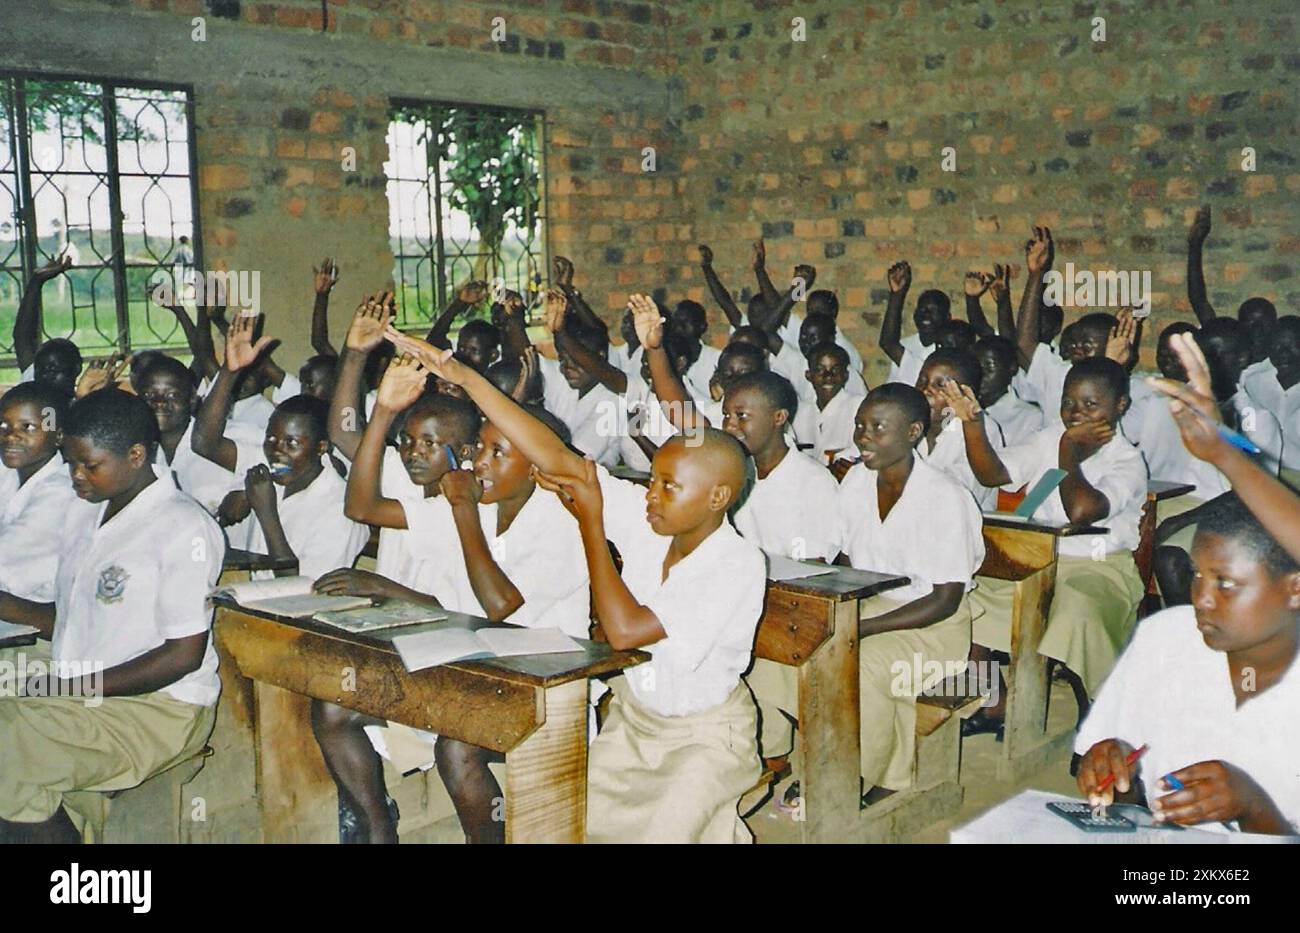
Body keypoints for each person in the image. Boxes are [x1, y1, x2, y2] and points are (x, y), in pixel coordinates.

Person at [387, 314, 768, 844]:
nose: (650, 495)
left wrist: (591, 519)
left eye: (667, 487)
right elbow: (557, 458)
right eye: (652, 479)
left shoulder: (737, 563)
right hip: (636, 724)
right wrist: (468, 380)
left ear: (717, 498)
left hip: (705, 737)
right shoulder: (649, 518)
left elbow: (626, 632)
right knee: (561, 825)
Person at [311, 354, 589, 844]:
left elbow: (501, 608)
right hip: (466, 672)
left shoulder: (563, 524)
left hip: (545, 692)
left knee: (457, 747)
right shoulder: (469, 504)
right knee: (334, 706)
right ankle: (380, 831)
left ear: (538, 470)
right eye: (480, 448)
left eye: (498, 454)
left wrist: (462, 510)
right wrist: (382, 412)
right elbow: (363, 507)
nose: (479, 462)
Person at [0, 389, 223, 843]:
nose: (75, 476)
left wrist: (69, 688)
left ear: (136, 455)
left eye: (90, 465)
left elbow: (182, 656)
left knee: (7, 744)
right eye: (70, 463)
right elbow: (75, 618)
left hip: (154, 707)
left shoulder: (184, 528)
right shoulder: (89, 510)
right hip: (79, 675)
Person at [1075, 494, 1299, 835]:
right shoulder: (1165, 637)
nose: (1202, 599)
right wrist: (1119, 772)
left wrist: (1253, 807)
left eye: (1226, 583)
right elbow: (1135, 804)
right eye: (1196, 575)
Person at [946, 357, 1148, 724]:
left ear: (1120, 406)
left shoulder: (1127, 460)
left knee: (1076, 613)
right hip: (1036, 560)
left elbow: (1082, 511)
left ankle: (1099, 716)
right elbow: (994, 474)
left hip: (1098, 567)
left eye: (1091, 405)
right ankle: (994, 701)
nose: (1076, 414)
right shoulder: (1050, 438)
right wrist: (972, 425)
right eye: (1069, 403)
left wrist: (1069, 449)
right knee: (966, 596)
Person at [191, 312, 368, 579]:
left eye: (292, 442)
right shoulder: (271, 467)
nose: (276, 450)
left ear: (322, 448)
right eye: (271, 439)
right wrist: (229, 371)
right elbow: (204, 443)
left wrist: (265, 511)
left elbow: (302, 592)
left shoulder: (339, 508)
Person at [0, 383, 79, 608]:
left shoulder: (62, 492)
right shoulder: (8, 470)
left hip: (35, 625)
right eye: (3, 425)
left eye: (28, 427)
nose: (11, 436)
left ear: (58, 435)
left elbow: (5, 559)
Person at [973, 335, 1043, 447]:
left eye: (989, 368)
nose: (980, 375)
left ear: (1012, 368)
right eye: (975, 368)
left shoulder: (1029, 417)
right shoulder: (962, 408)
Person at [806, 343, 866, 465]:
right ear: (809, 375)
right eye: (820, 370)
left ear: (845, 376)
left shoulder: (859, 406)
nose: (828, 376)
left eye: (835, 370)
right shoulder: (801, 411)